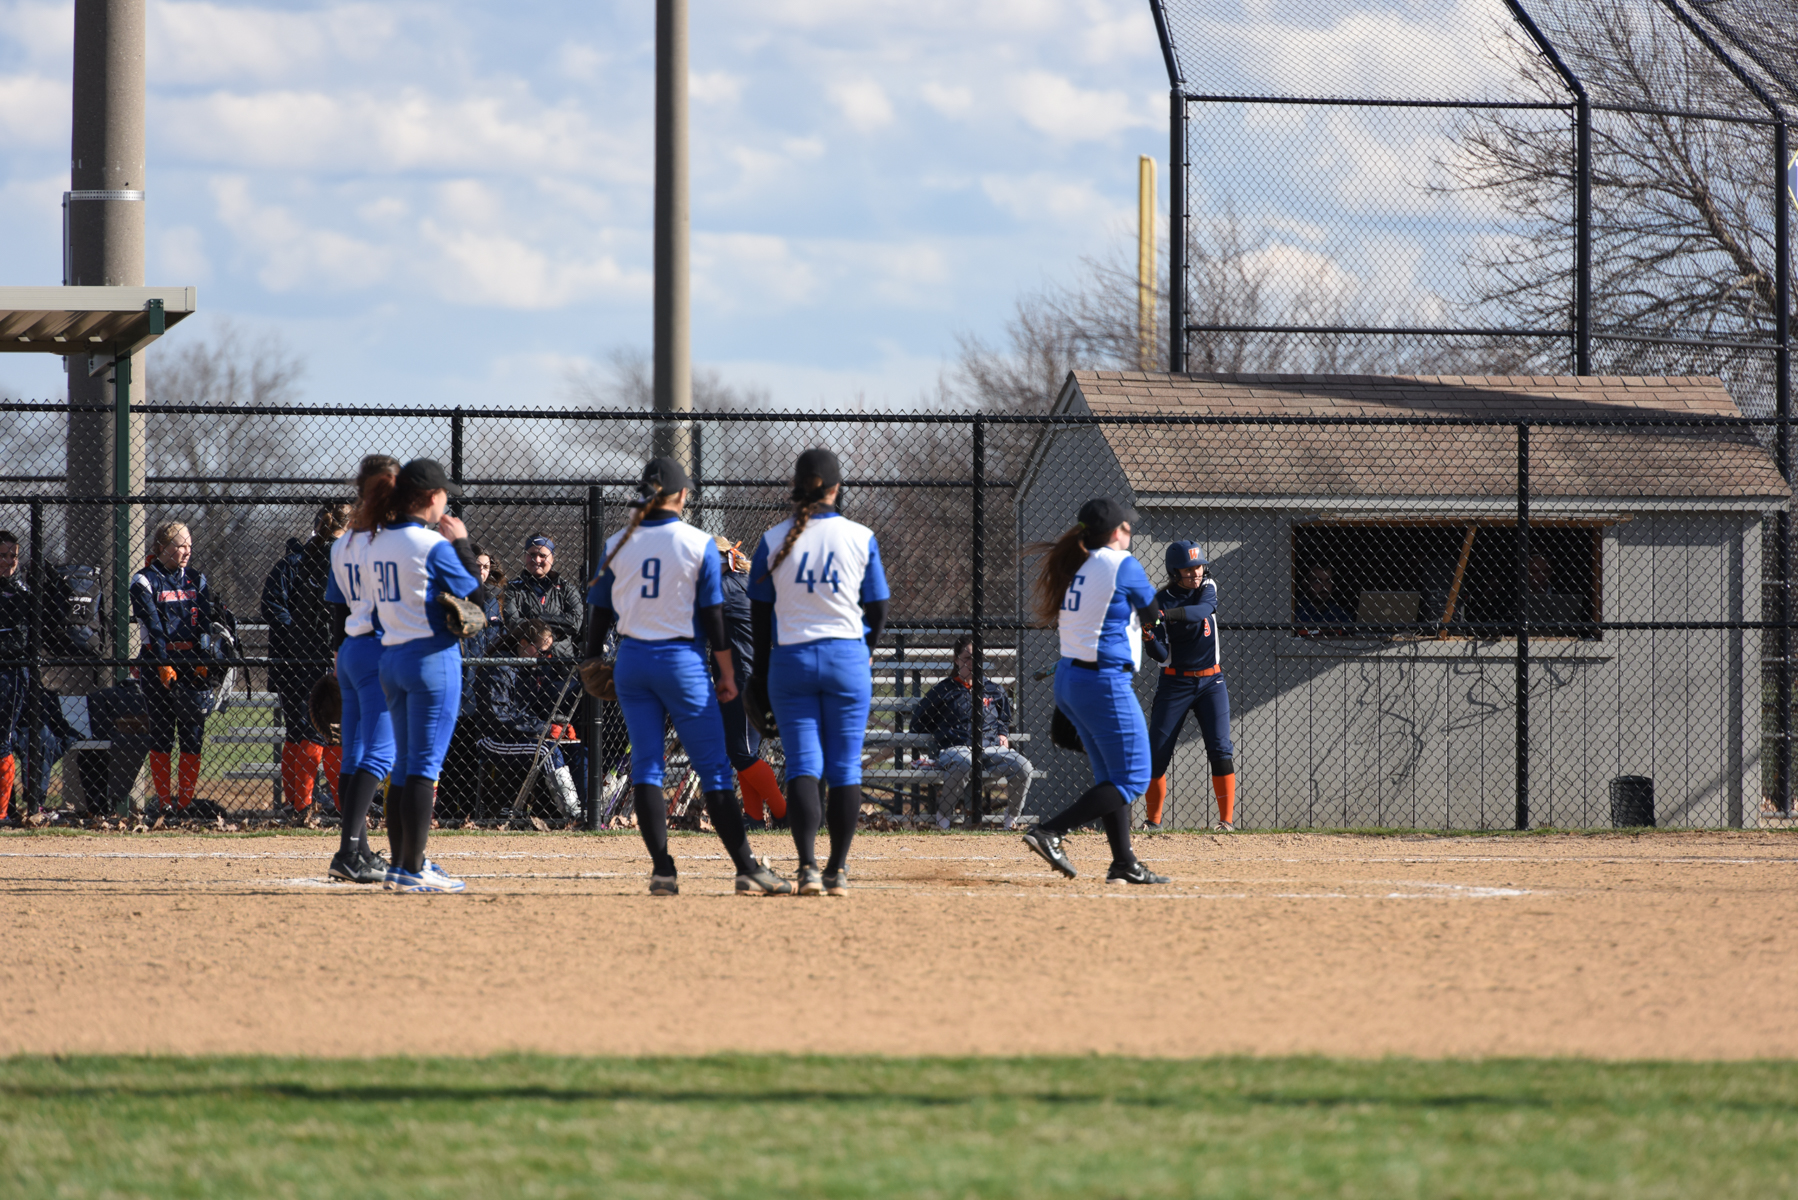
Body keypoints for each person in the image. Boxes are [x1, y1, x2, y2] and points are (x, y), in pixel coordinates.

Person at [583, 457, 790, 896]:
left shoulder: (616, 541)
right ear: (679, 496)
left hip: (632, 662)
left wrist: (589, 657)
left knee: (647, 768)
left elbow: (599, 607)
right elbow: (715, 616)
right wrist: (728, 672)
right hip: (681, 660)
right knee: (715, 769)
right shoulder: (699, 543)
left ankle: (662, 870)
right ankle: (747, 868)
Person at [745, 447, 889, 897]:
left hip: (792, 661)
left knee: (803, 766)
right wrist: (865, 650)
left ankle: (807, 867)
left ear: (796, 489)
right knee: (845, 768)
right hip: (847, 658)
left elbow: (760, 617)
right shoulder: (860, 536)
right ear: (835, 488)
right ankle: (837, 872)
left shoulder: (772, 540)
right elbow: (879, 605)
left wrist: (760, 679)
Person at [1018, 498, 1168, 885]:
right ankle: (1050, 831)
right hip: (1103, 681)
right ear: (1115, 532)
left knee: (1112, 776)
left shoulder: (1079, 563)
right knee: (1135, 778)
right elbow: (1152, 613)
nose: (1130, 532)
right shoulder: (1121, 563)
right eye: (1127, 527)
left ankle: (1123, 863)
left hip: (1072, 678)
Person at [366, 458, 484, 892]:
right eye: (444, 493)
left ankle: (401, 865)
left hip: (391, 657)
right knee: (424, 768)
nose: (447, 501)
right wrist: (463, 543)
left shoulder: (377, 541)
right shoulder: (432, 545)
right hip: (431, 658)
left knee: (403, 767)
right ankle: (412, 870)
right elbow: (476, 591)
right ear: (431, 498)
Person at [322, 454, 400, 884]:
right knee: (381, 753)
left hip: (351, 647)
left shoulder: (344, 542)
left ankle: (359, 850)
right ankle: (348, 851)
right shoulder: (390, 540)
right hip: (381, 648)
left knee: (353, 752)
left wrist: (338, 655)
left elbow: (337, 608)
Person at [261, 503, 351, 821]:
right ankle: (303, 804)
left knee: (310, 732)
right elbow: (271, 604)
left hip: (317, 657)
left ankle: (307, 804)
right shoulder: (297, 564)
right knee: (310, 731)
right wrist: (297, 634)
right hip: (299, 661)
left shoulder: (328, 561)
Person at [130, 521, 225, 820]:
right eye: (179, 545)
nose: (187, 551)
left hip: (191, 663)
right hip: (157, 662)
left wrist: (204, 657)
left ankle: (183, 805)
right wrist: (162, 662)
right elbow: (153, 626)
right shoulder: (144, 581)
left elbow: (206, 622)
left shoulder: (197, 579)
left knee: (193, 734)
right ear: (161, 547)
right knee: (161, 733)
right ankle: (163, 804)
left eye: (189, 545)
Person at [1141, 541, 1235, 832]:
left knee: (1221, 748)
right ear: (1174, 571)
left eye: (1198, 566)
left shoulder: (1208, 586)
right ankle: (1153, 822)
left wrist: (1164, 617)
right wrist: (1148, 634)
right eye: (1188, 568)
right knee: (1157, 751)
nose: (1195, 572)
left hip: (1212, 681)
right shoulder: (1159, 600)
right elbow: (1159, 654)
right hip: (1175, 681)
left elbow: (1202, 611)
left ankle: (1226, 822)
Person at [913, 633, 1034, 831]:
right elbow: (918, 722)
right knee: (964, 762)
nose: (973, 663)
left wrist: (1003, 733)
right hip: (956, 749)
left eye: (977, 658)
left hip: (990, 748)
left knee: (1023, 767)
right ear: (956, 659)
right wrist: (942, 732)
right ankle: (943, 817)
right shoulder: (943, 690)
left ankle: (1011, 820)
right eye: (968, 658)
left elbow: (1004, 718)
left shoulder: (994, 690)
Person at [471, 618, 582, 820]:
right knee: (545, 750)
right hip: (493, 739)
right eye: (541, 652)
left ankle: (574, 810)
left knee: (574, 748)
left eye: (548, 653)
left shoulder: (531, 670)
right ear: (523, 644)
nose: (545, 657)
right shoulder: (500, 667)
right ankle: (573, 816)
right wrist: (545, 729)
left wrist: (559, 726)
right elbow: (499, 716)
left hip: (521, 734)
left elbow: (538, 709)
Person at [715, 535, 785, 830]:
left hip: (743, 679)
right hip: (753, 676)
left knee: (741, 753)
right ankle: (754, 818)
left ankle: (784, 814)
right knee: (743, 751)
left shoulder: (726, 588)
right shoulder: (748, 582)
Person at [503, 534, 584, 657]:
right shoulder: (512, 588)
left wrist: (535, 619)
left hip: (560, 661)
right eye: (532, 555)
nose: (537, 559)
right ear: (525, 557)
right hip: (524, 662)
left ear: (552, 559)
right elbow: (513, 623)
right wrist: (556, 629)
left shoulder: (567, 589)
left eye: (543, 555)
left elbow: (575, 622)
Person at [0, 532, 26, 822]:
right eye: (2, 555)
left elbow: (20, 640)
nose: (8, 562)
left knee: (2, 739)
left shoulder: (20, 593)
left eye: (13, 556)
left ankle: (2, 811)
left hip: (9, 673)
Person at [1294, 564, 1351, 635]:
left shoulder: (1341, 615)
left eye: (1328, 581)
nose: (1324, 587)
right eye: (1318, 581)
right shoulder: (1297, 614)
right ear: (1305, 584)